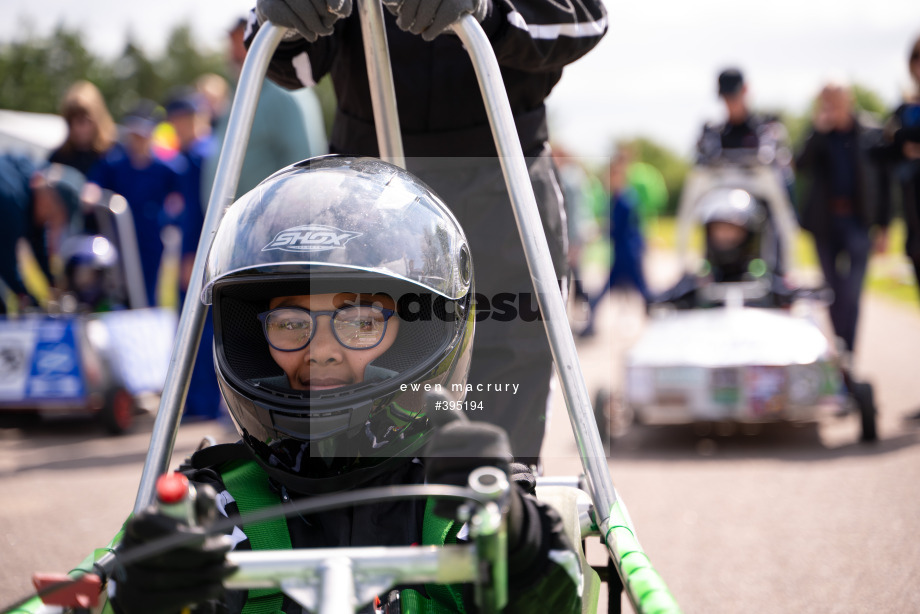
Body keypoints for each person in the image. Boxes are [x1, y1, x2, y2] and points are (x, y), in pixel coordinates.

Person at [109, 156, 587, 614]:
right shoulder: (221, 506)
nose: (320, 351)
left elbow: (555, 600)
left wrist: (516, 535)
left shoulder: (460, 501)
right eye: (291, 323)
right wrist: (149, 583)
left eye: (359, 321)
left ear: (417, 335)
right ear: (254, 338)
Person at [248, 0, 607, 465]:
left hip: (501, 181)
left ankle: (494, 509)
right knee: (349, 364)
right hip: (360, 196)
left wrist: (488, 9)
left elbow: (585, 17)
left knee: (498, 399)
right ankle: (353, 514)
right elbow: (293, 63)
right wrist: (287, 14)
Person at [795, 81, 891, 353]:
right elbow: (799, 165)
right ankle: (840, 349)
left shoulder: (871, 132)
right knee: (832, 293)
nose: (832, 107)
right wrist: (817, 131)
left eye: (836, 101)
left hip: (859, 223)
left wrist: (883, 226)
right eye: (827, 102)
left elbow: (883, 183)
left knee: (852, 293)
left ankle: (848, 352)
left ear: (848, 100)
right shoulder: (819, 135)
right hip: (825, 225)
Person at [201, 17, 328, 203]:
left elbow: (305, 166)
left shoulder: (285, 93)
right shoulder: (241, 94)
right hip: (237, 226)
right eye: (232, 43)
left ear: (264, 42)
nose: (234, 52)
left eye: (243, 41)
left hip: (271, 225)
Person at [88, 100, 184, 307]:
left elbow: (184, 193)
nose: (138, 140)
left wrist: (172, 219)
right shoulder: (115, 163)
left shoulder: (165, 167)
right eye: (134, 135)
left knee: (148, 290)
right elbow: (95, 183)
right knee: (118, 288)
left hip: (151, 237)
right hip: (119, 236)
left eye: (142, 135)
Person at [165, 89, 224, 421]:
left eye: (182, 120)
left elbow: (201, 214)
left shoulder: (200, 155)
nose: (178, 127)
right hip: (200, 252)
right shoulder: (196, 153)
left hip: (201, 255)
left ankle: (202, 404)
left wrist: (192, 256)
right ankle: (197, 402)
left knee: (199, 331)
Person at [0, 156, 84, 314]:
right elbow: (6, 261)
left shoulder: (27, 181)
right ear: (49, 198)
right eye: (54, 216)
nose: (51, 224)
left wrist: (53, 283)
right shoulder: (11, 196)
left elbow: (37, 237)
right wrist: (28, 298)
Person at [581, 151, 649, 336]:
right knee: (627, 291)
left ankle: (658, 322)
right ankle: (590, 325)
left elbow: (619, 227)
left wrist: (599, 230)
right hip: (621, 252)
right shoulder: (616, 198)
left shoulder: (626, 198)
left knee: (642, 292)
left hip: (629, 253)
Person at [48, 81, 117, 176]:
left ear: (97, 120)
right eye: (71, 121)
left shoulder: (114, 158)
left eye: (82, 121)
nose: (76, 128)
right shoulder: (59, 158)